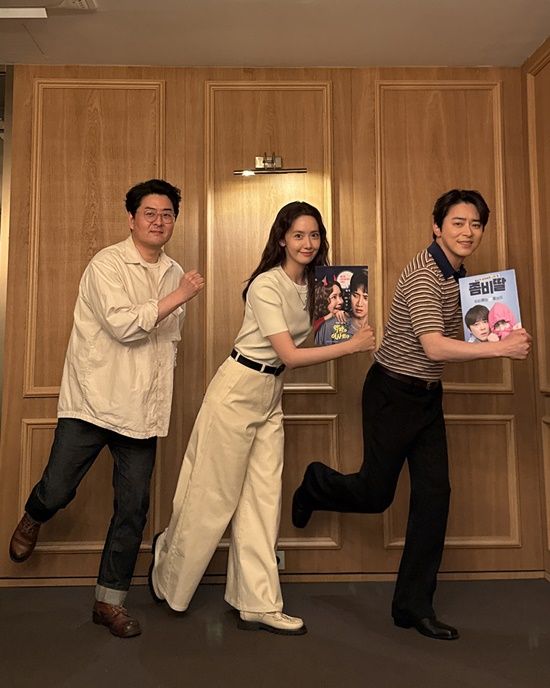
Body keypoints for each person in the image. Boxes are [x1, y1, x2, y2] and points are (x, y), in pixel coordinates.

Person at [292, 189, 531, 641]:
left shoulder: (460, 276)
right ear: (437, 227)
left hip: (427, 396)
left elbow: (461, 336)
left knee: (435, 497)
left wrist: (500, 329)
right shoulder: (424, 274)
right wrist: (503, 349)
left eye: (476, 224)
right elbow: (434, 346)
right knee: (375, 494)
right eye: (458, 222)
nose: (468, 232)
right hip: (391, 393)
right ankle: (315, 483)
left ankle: (412, 606)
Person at [149, 201, 376, 635]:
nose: (308, 243)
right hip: (238, 389)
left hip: (271, 394)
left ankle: (257, 603)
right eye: (298, 235)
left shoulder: (321, 285)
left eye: (314, 235)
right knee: (213, 498)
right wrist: (352, 345)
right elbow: (289, 354)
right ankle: (168, 577)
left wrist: (347, 319)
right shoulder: (265, 285)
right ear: (282, 240)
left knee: (263, 499)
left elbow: (323, 336)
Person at [8, 179, 205, 638]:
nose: (159, 221)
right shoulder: (107, 264)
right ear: (131, 219)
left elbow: (165, 343)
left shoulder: (174, 270)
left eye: (167, 214)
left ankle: (109, 602)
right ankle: (35, 514)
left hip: (142, 410)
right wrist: (178, 296)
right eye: (150, 213)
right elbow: (123, 326)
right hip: (94, 400)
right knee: (58, 488)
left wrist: (175, 296)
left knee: (133, 510)